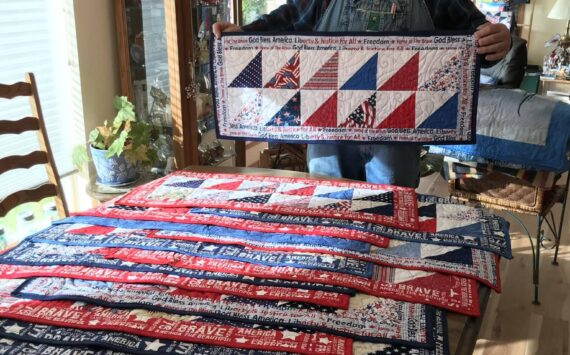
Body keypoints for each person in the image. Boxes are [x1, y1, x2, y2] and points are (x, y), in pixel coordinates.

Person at [213, 0, 511, 188]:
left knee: (391, 221)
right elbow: (288, 19)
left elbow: (477, 39)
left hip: (398, 138)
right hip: (328, 135)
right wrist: (245, 37)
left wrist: (497, 38)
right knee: (330, 214)